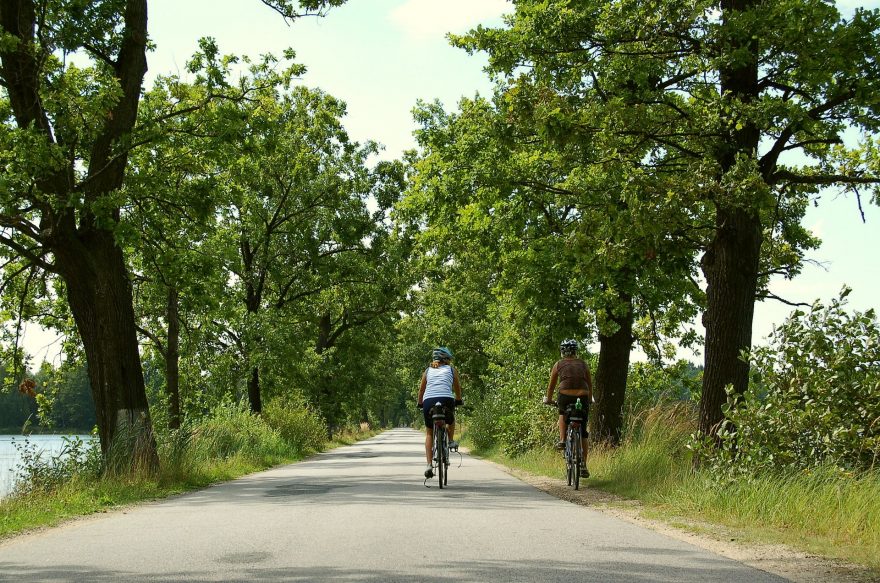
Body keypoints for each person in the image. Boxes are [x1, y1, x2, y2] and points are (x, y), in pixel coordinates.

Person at [543, 338, 593, 478]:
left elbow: (551, 385)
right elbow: (589, 384)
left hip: (564, 396)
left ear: (562, 351)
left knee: (562, 412)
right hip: (582, 396)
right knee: (583, 431)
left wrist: (549, 399)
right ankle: (583, 464)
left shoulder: (558, 364)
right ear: (575, 351)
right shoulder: (583, 364)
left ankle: (563, 440)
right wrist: (589, 399)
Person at [417, 346, 463, 478]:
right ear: (446, 359)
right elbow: (457, 387)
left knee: (429, 433)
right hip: (446, 399)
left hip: (429, 402)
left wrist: (420, 403)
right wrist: (459, 400)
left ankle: (429, 465)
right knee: (451, 419)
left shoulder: (427, 371)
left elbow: (421, 390)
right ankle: (451, 440)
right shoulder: (451, 370)